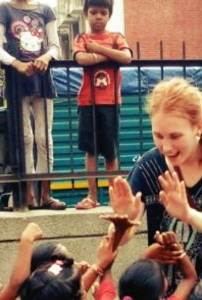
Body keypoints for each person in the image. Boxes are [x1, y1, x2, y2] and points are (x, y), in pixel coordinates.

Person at [111, 77, 202, 289]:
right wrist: (121, 223)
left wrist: (188, 214)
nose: (166, 146)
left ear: (198, 127)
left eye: (175, 136)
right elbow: (119, 241)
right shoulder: (148, 167)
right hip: (167, 299)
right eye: (158, 135)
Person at [0, 0, 66, 210]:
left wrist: (45, 57)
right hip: (17, 81)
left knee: (44, 138)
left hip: (41, 79)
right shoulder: (3, 9)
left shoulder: (45, 10)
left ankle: (46, 195)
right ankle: (28, 194)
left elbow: (55, 47)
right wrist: (16, 63)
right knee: (25, 138)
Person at [73, 0, 132, 210]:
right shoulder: (81, 38)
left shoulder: (116, 37)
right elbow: (81, 59)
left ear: (109, 15)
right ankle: (92, 196)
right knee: (91, 151)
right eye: (93, 12)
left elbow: (126, 58)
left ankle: (114, 197)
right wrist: (107, 55)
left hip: (111, 102)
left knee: (110, 152)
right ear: (86, 14)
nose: (98, 16)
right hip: (88, 102)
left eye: (103, 13)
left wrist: (97, 50)